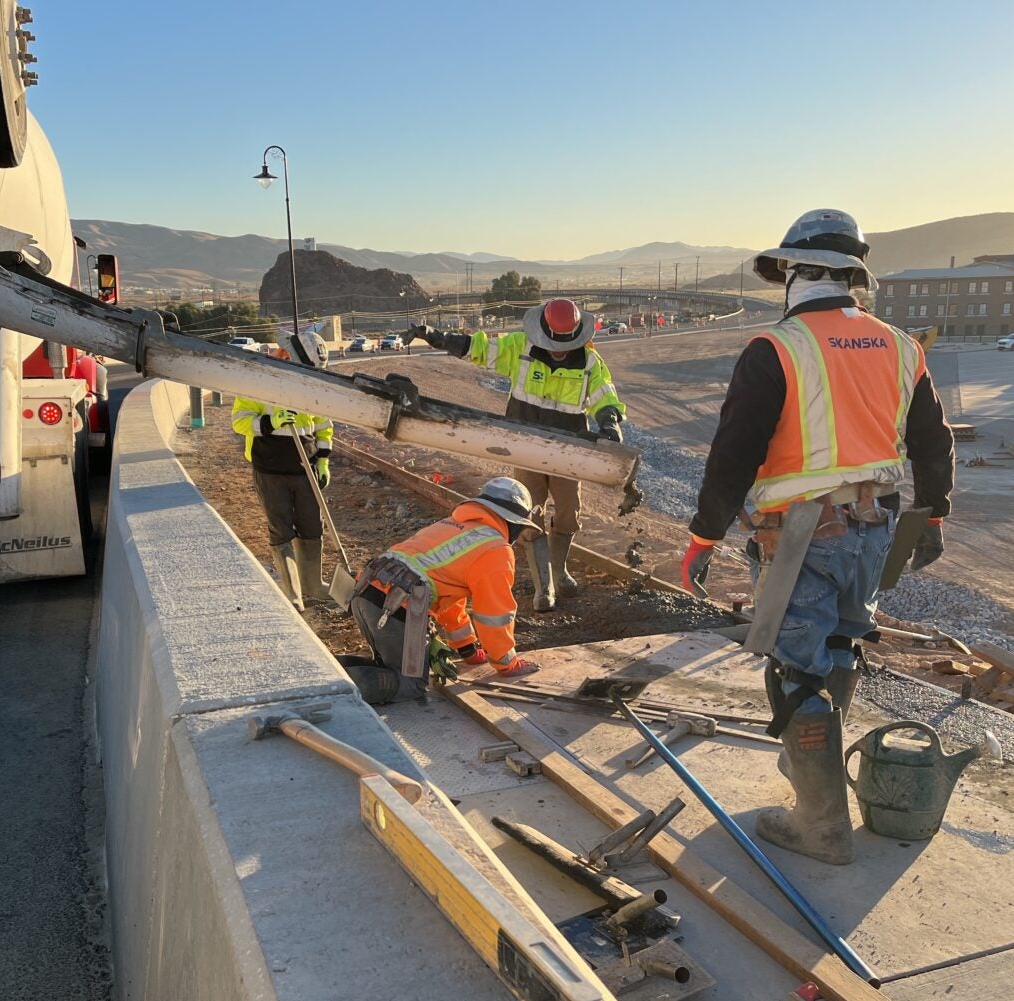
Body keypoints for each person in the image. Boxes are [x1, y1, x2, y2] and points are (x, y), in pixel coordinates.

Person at [681, 209, 954, 865]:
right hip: (874, 529)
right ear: (853, 277)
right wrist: (935, 512)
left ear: (795, 272)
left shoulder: (776, 348)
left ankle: (820, 823)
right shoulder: (900, 345)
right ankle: (816, 771)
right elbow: (931, 440)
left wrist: (703, 537)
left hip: (801, 532)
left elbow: (734, 454)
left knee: (795, 669)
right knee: (840, 643)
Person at [405, 299, 627, 611]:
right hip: (526, 447)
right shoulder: (520, 348)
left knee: (568, 512)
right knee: (530, 514)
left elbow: (604, 394)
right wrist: (438, 337)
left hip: (568, 450)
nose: (558, 351)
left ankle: (559, 571)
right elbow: (479, 349)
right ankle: (544, 588)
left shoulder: (590, 360)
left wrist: (610, 421)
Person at [342, 477, 543, 705]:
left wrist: (467, 648)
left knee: (390, 668)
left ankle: (330, 669)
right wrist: (506, 664)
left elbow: (449, 600)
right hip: (397, 606)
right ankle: (331, 689)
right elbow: (494, 615)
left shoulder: (452, 526)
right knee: (411, 684)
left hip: (367, 593)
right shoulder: (495, 549)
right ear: (513, 522)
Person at [231, 332, 334, 609]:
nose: (276, 352)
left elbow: (324, 426)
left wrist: (323, 460)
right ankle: (293, 593)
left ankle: (313, 585)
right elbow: (239, 422)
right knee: (281, 529)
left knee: (312, 526)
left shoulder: (312, 386)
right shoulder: (258, 382)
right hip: (270, 468)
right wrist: (270, 422)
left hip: (306, 467)